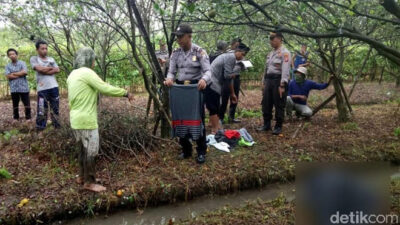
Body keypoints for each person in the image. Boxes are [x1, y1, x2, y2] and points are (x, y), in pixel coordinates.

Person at [67, 47, 134, 192]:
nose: (94, 64)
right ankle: (89, 182)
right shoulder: (87, 73)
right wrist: (125, 93)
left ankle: (82, 177)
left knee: (82, 150)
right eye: (93, 60)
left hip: (75, 119)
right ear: (89, 59)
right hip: (87, 120)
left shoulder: (72, 74)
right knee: (91, 151)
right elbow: (104, 88)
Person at [164, 24, 211, 164]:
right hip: (180, 89)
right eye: (177, 36)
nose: (178, 39)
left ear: (189, 36)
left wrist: (204, 79)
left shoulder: (199, 52)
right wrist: (169, 79)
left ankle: (201, 151)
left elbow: (208, 71)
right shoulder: (175, 53)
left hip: (195, 89)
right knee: (181, 119)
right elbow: (171, 71)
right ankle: (186, 149)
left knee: (198, 119)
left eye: (181, 36)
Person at [207, 43, 250, 134]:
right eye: (242, 54)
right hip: (213, 82)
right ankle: (215, 130)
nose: (242, 57)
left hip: (211, 81)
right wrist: (233, 93)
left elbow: (227, 76)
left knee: (213, 104)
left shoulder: (228, 56)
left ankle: (211, 123)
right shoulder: (231, 57)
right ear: (237, 51)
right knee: (215, 105)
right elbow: (228, 77)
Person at [258, 32, 291, 135]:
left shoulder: (285, 53)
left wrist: (282, 85)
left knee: (279, 103)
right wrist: (264, 82)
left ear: (280, 39)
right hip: (269, 80)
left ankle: (278, 126)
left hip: (278, 80)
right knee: (266, 103)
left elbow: (285, 70)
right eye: (270, 39)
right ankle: (266, 124)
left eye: (273, 39)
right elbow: (266, 69)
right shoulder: (271, 53)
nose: (271, 41)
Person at [30, 40, 61, 131]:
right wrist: (51, 68)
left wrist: (45, 69)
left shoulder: (51, 59)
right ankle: (40, 127)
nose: (45, 50)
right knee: (42, 108)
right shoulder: (34, 59)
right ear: (37, 49)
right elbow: (40, 69)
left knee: (55, 108)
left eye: (46, 48)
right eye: (42, 48)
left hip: (54, 87)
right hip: (42, 88)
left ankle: (56, 126)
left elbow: (58, 70)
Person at [219, 37, 243, 124]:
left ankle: (231, 117)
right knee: (224, 97)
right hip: (227, 78)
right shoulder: (227, 53)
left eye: (239, 44)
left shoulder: (240, 53)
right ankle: (221, 117)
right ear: (232, 44)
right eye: (236, 43)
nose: (238, 45)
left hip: (236, 77)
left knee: (235, 97)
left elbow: (240, 63)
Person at [5, 48, 31, 123]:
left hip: (24, 88)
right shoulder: (7, 66)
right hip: (14, 88)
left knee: (27, 103)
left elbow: (25, 72)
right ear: (8, 56)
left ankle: (28, 118)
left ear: (16, 54)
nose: (12, 56)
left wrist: (13, 73)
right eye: (10, 54)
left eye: (13, 54)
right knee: (15, 104)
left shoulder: (22, 63)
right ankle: (16, 118)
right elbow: (8, 76)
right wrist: (19, 73)